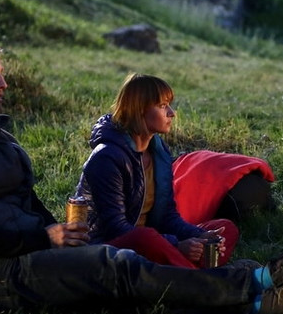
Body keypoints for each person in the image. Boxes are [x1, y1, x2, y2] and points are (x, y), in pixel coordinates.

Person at [0, 38, 283, 314]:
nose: (4, 83)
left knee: (119, 293)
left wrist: (60, 239)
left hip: (27, 255)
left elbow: (27, 205)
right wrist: (44, 236)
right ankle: (256, 284)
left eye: (2, 73)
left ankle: (255, 308)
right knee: (115, 265)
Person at [75, 73, 237, 270]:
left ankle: (184, 271)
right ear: (139, 110)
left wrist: (198, 236)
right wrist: (176, 245)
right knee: (145, 237)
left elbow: (167, 216)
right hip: (107, 247)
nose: (172, 113)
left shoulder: (158, 152)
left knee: (224, 229)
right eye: (162, 106)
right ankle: (203, 279)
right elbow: (116, 230)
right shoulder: (107, 158)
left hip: (153, 239)